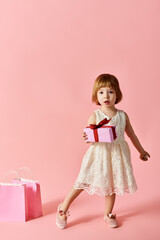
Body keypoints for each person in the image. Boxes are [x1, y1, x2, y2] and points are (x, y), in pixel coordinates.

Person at [56, 73, 150, 229]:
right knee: (82, 182)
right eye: (101, 92)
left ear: (117, 94)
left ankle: (108, 213)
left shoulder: (122, 116)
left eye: (110, 91)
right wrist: (87, 136)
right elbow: (90, 134)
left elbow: (131, 134)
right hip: (98, 156)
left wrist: (141, 150)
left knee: (111, 184)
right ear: (96, 95)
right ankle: (63, 207)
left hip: (116, 156)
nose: (106, 95)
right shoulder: (96, 115)